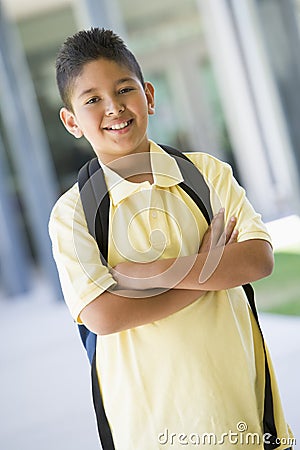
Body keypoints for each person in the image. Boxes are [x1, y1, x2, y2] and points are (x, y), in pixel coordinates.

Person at [49, 28, 294, 450]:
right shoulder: (73, 213)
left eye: (125, 89)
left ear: (149, 95)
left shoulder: (206, 173)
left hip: (243, 413)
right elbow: (103, 316)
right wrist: (208, 272)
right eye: (92, 100)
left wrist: (146, 275)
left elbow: (256, 260)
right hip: (149, 428)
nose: (114, 107)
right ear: (71, 120)